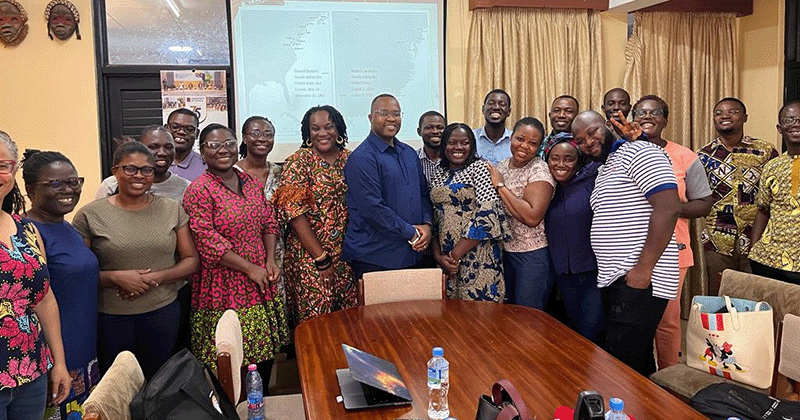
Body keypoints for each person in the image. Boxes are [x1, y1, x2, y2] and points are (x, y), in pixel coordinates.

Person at [73, 142, 199, 378]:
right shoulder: (90, 215)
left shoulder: (171, 209)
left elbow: (191, 260)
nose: (139, 176)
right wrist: (117, 278)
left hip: (162, 312)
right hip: (111, 318)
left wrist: (152, 278)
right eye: (130, 169)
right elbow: (79, 273)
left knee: (159, 382)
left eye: (146, 170)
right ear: (115, 171)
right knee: (118, 386)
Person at [571, 111, 680, 376]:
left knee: (618, 367)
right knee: (635, 364)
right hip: (617, 277)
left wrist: (643, 270)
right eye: (580, 139)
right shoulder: (608, 166)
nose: (588, 142)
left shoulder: (641, 152)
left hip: (640, 277)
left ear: (609, 126)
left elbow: (668, 209)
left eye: (593, 132)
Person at [182, 124, 289, 382]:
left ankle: (259, 405)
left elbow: (269, 222)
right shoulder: (199, 190)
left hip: (260, 280)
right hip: (223, 286)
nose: (223, 150)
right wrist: (249, 268)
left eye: (228, 143)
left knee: (262, 358)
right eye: (214, 145)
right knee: (229, 365)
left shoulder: (250, 183)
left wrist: (269, 259)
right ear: (202, 151)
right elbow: (207, 240)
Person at [631, 96, 713, 369]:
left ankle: (668, 378)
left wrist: (668, 207)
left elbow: (704, 204)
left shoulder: (684, 156)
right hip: (629, 250)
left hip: (672, 250)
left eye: (655, 112)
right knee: (632, 318)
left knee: (666, 320)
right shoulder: (624, 152)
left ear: (665, 120)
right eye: (641, 111)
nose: (647, 116)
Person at [21, 150, 100, 420]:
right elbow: (37, 301)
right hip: (55, 355)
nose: (68, 189)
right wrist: (57, 362)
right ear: (30, 190)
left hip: (83, 347)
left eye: (73, 181)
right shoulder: (28, 233)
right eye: (55, 184)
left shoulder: (68, 227)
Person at [0, 131, 70, 418]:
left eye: (3, 165)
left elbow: (44, 299)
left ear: (14, 170)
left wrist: (59, 363)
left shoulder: (27, 230)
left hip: (31, 370)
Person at [274, 106, 354, 325]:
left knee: (350, 321)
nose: (322, 133)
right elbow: (293, 212)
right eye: (315, 128)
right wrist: (320, 258)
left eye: (329, 127)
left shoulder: (351, 159)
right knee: (317, 322)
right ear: (308, 133)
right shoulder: (299, 161)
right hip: (310, 255)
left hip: (347, 254)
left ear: (338, 130)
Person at [342, 94, 433, 280]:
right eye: (384, 113)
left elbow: (423, 194)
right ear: (370, 118)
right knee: (379, 311)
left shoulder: (409, 153)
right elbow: (372, 209)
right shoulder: (362, 158)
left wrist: (427, 225)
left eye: (396, 113)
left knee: (415, 310)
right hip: (376, 257)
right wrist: (412, 233)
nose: (391, 118)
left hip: (413, 253)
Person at [697, 98, 779, 294]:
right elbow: (697, 195)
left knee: (756, 295)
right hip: (717, 238)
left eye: (732, 111)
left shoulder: (765, 151)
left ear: (744, 117)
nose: (725, 115)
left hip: (757, 237)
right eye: (719, 113)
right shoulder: (703, 155)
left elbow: (776, 194)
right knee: (719, 294)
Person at [429, 123, 509, 301]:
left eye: (464, 143)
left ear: (472, 146)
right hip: (445, 260)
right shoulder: (437, 173)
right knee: (451, 319)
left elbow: (488, 217)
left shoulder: (480, 169)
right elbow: (433, 217)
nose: (458, 147)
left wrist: (454, 255)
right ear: (444, 145)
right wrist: (439, 257)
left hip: (479, 257)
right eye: (452, 142)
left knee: (480, 318)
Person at [487, 117, 555, 309]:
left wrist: (500, 186)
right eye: (520, 139)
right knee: (509, 316)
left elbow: (532, 217)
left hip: (531, 256)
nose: (524, 146)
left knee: (529, 318)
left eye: (532, 143)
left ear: (539, 147)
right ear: (511, 138)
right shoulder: (501, 166)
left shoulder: (539, 170)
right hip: (505, 252)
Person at [544, 134, 604, 343]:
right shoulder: (547, 188)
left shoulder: (592, 180)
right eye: (555, 158)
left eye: (568, 159)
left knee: (591, 332)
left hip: (592, 272)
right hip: (563, 274)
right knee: (574, 330)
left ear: (578, 160)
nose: (561, 164)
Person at [749, 100, 800, 284]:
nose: (796, 123)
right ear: (780, 128)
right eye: (789, 119)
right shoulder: (772, 166)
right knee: (769, 312)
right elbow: (763, 209)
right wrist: (754, 249)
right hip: (768, 259)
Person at [95, 125, 190, 202]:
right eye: (153, 146)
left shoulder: (186, 187)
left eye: (169, 147)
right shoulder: (111, 185)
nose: (162, 152)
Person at [166, 108, 206, 181]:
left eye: (189, 129)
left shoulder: (206, 167)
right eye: (175, 127)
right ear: (166, 129)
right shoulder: (153, 163)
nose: (181, 132)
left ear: (197, 134)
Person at [474, 89, 513, 165]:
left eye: (502, 104)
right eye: (491, 103)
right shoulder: (471, 137)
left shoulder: (515, 141)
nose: (496, 107)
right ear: (483, 109)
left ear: (509, 112)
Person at [417, 110, 446, 182]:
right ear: (419, 131)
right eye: (429, 127)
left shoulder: (454, 159)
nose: (435, 131)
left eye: (440, 127)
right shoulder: (412, 159)